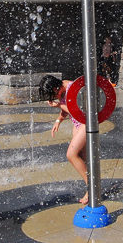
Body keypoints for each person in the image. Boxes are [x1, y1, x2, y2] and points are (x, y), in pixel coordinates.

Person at [39, 75, 90, 204]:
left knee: (71, 154)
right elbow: (66, 109)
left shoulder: (72, 87)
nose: (54, 97)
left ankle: (93, 188)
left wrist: (58, 106)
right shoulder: (62, 90)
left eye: (53, 94)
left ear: (56, 87)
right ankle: (93, 180)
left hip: (86, 122)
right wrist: (58, 120)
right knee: (82, 155)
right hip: (77, 123)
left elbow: (77, 110)